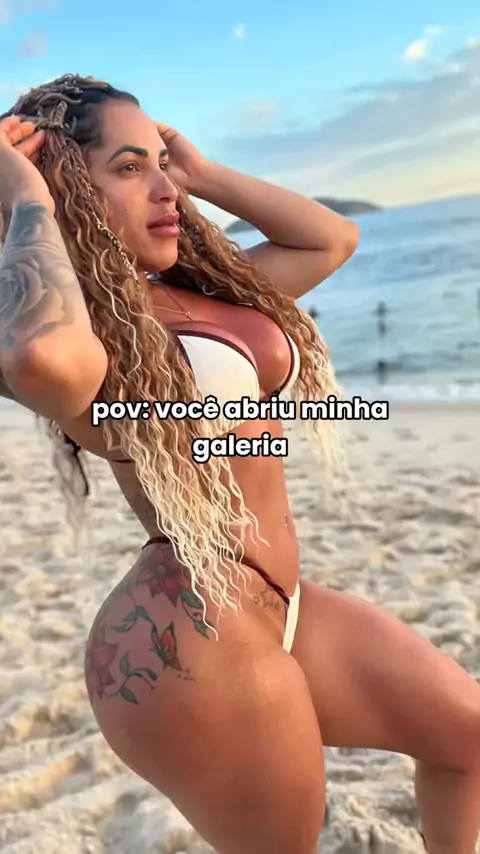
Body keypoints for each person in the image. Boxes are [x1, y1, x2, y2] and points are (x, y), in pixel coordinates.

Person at [0, 75, 479, 854]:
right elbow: (36, 359)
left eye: (159, 163)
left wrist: (201, 172)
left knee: (465, 739)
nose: (165, 190)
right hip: (189, 638)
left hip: (277, 605)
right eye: (129, 169)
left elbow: (331, 241)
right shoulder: (79, 332)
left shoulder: (197, 291)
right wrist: (26, 199)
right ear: (64, 188)